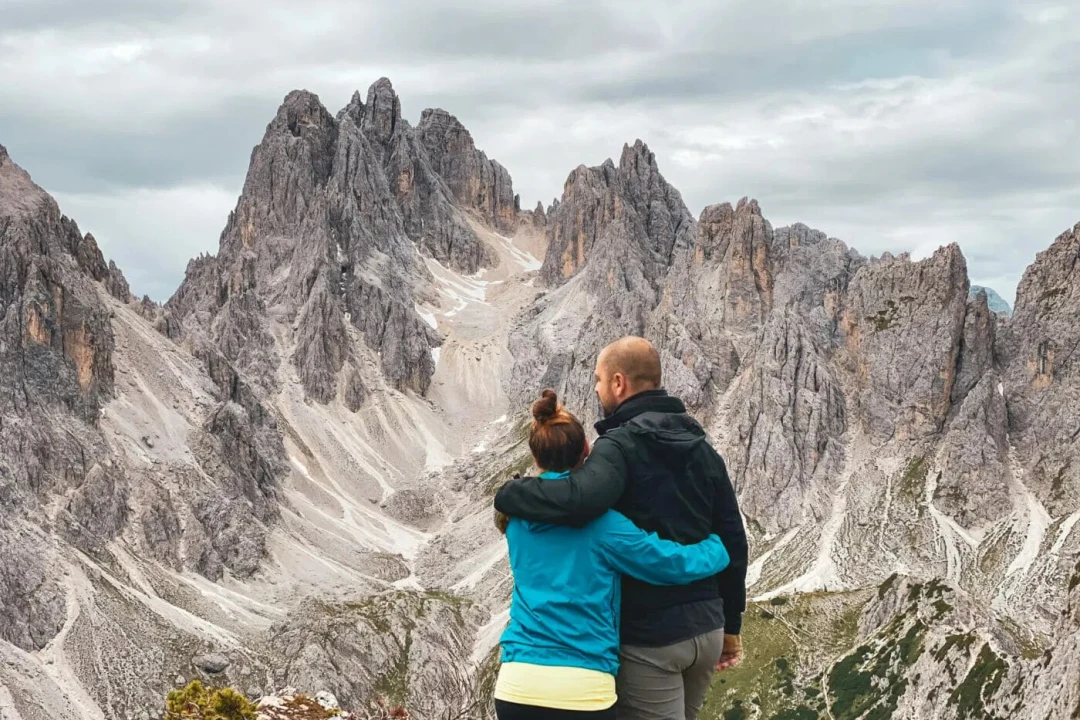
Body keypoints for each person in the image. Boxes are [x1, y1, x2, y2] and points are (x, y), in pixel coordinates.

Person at [495, 337, 749, 720]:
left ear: (618, 382)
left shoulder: (611, 452)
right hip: (705, 628)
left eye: (598, 380)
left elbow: (581, 498)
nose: (596, 389)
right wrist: (729, 614)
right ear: (583, 450)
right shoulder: (703, 448)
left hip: (636, 641)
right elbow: (721, 539)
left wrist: (509, 493)